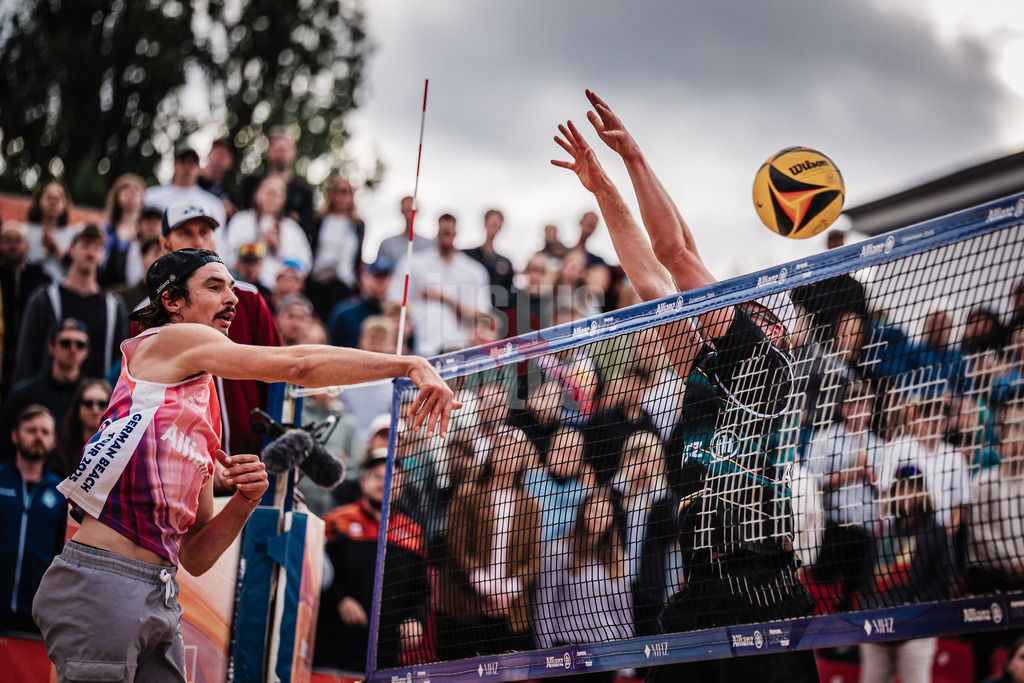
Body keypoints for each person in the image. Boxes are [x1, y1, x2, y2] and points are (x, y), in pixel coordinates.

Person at [32, 247, 457, 680]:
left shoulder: (202, 406)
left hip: (158, 587)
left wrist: (246, 499)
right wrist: (409, 364)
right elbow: (299, 365)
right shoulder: (169, 338)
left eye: (232, 287)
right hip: (105, 580)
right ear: (172, 302)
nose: (232, 298)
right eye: (214, 287)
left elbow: (195, 555)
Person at [553, 90, 816, 681]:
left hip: (766, 590)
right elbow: (648, 278)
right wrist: (602, 190)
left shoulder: (763, 360)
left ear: (766, 322)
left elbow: (675, 252)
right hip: (701, 592)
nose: (734, 305)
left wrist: (634, 159)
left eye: (750, 305)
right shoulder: (702, 369)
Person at [139, 198, 283, 459]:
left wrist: (276, 448)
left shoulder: (247, 298)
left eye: (205, 232)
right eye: (186, 232)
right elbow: (145, 401)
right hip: (178, 466)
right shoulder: (147, 312)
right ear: (165, 244)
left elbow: (277, 376)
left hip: (250, 461)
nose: (198, 241)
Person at [317, 450, 429, 672]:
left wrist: (415, 619)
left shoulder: (413, 532)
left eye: (395, 478)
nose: (386, 483)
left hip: (385, 653)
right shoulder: (336, 521)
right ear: (364, 482)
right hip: (333, 646)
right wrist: (340, 599)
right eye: (378, 476)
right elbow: (317, 572)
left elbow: (420, 588)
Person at [436, 428, 541, 660]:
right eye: (502, 448)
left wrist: (508, 590)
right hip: (463, 607)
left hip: (509, 612)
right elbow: (455, 544)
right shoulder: (467, 493)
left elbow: (533, 560)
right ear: (491, 454)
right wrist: (484, 584)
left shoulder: (531, 506)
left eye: (514, 451)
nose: (507, 456)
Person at [855, 464, 955, 683]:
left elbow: (944, 584)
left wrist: (914, 610)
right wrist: (870, 610)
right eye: (900, 489)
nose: (905, 494)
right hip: (877, 628)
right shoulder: (884, 533)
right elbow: (866, 579)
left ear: (922, 492)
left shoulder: (936, 533)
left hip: (917, 629)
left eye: (911, 488)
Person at [533, 487, 634, 680]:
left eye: (605, 513)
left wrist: (626, 659)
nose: (599, 517)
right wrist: (545, 655)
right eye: (594, 510)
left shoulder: (620, 559)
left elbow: (625, 613)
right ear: (582, 512)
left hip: (604, 653)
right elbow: (543, 608)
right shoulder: (558, 551)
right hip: (565, 651)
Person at [14, 224, 129, 384]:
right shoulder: (44, 299)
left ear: (103, 255)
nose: (90, 251)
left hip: (95, 402)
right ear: (71, 249)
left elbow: (119, 361)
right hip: (49, 398)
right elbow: (26, 356)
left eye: (97, 247)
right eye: (85, 245)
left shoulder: (114, 307)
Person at [386, 213, 491, 357]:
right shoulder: (412, 263)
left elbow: (483, 315)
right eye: (443, 232)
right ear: (437, 232)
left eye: (449, 232)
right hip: (419, 350)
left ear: (456, 232)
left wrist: (443, 297)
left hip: (459, 352)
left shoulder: (474, 271)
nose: (445, 236)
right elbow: (394, 304)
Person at [0, 405, 66, 633]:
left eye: (45, 432)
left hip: (36, 611)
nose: (38, 436)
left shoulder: (61, 492)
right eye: (31, 430)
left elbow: (60, 550)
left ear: (54, 440)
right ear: (15, 435)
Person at [0, 318, 90, 461]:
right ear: (51, 347)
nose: (73, 349)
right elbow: (4, 444)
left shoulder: (92, 397)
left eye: (80, 344)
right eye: (65, 343)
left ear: (86, 351)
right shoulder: (23, 394)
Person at [221, 174, 313, 291]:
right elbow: (226, 256)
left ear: (283, 200)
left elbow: (305, 266)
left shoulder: (292, 229)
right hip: (243, 288)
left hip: (278, 294)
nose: (272, 197)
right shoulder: (240, 221)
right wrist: (253, 249)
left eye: (278, 194)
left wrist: (280, 247)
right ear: (256, 194)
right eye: (269, 192)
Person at [0, 220, 52, 397]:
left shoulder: (41, 280)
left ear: (27, 245)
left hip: (31, 356)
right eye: (7, 240)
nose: (13, 245)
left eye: (17, 240)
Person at [238, 127, 316, 244]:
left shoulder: (304, 192)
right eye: (277, 148)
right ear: (268, 151)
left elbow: (308, 232)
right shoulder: (251, 183)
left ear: (295, 151)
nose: (281, 152)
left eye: (285, 148)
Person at [307, 176, 365, 320]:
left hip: (344, 284)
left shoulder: (357, 225)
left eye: (347, 192)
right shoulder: (318, 220)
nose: (343, 196)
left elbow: (357, 257)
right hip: (318, 283)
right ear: (331, 194)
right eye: (339, 191)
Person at [143, 146, 226, 227]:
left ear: (199, 167)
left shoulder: (213, 204)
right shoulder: (149, 197)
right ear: (174, 163)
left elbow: (218, 239)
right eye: (183, 161)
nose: (187, 167)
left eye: (193, 162)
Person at [328, 257, 393, 349]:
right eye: (376, 276)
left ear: (391, 280)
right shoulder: (344, 314)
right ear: (364, 278)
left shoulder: (396, 315)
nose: (380, 282)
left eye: (384, 277)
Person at [53, 379, 112, 479]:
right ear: (77, 408)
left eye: (102, 404)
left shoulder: (120, 447)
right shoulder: (61, 449)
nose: (95, 410)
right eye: (88, 403)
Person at [98, 173, 147, 287]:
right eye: (125, 189)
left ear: (142, 199)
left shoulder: (148, 230)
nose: (130, 194)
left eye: (135, 191)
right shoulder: (106, 229)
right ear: (116, 196)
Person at [25, 180, 76, 281]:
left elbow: (73, 268)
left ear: (65, 204)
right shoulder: (25, 233)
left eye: (58, 198)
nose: (53, 202)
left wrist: (55, 247)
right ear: (39, 200)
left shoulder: (72, 236)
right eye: (48, 197)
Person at [464, 208, 515, 308]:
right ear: (485, 224)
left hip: (495, 314)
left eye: (497, 225)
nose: (494, 228)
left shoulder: (506, 263)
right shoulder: (467, 255)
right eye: (492, 223)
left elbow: (510, 293)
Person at [376, 195, 435, 267]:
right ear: (401, 211)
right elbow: (379, 272)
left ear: (418, 211)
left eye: (411, 210)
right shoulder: (387, 244)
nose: (409, 214)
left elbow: (434, 271)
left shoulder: (429, 244)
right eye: (407, 210)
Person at [197, 137, 237, 222]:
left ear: (230, 161)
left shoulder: (229, 193)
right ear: (208, 154)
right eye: (218, 152)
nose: (221, 157)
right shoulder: (193, 181)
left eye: (225, 154)